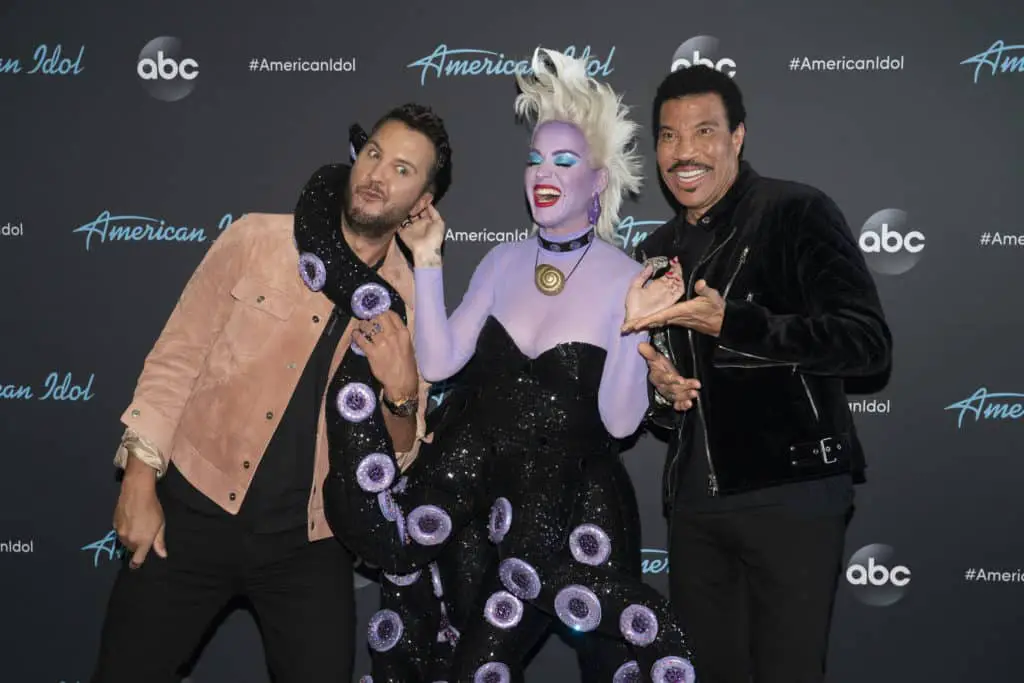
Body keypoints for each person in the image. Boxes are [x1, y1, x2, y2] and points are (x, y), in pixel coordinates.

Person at [306, 48, 696, 683]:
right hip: (480, 500)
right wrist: (427, 258)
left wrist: (635, 323)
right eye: (535, 159)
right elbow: (439, 360)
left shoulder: (627, 278)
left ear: (597, 181)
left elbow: (622, 422)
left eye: (564, 161)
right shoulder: (500, 261)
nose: (543, 172)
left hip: (573, 516)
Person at [90, 103, 449, 683]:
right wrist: (138, 478)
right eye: (374, 154)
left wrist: (402, 391)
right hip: (192, 513)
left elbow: (397, 461)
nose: (378, 175)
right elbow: (177, 358)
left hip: (310, 544)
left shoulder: (412, 305)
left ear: (422, 203)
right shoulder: (257, 239)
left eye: (402, 170)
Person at [621, 65, 893, 683]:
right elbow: (673, 393)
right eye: (668, 135)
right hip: (694, 509)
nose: (684, 152)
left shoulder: (795, 211)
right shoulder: (655, 251)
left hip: (790, 495)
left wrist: (734, 324)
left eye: (704, 131)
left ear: (737, 137)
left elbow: (866, 343)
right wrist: (662, 392)